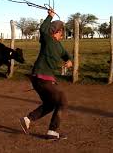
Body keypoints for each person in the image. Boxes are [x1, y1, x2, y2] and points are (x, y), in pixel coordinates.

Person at [19, 9, 73, 140]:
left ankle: (28, 119)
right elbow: (43, 29)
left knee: (50, 104)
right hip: (42, 78)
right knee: (62, 101)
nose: (63, 35)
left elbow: (66, 54)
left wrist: (69, 60)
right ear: (57, 31)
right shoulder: (48, 39)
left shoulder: (59, 46)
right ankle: (52, 132)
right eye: (62, 32)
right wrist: (49, 16)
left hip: (42, 79)